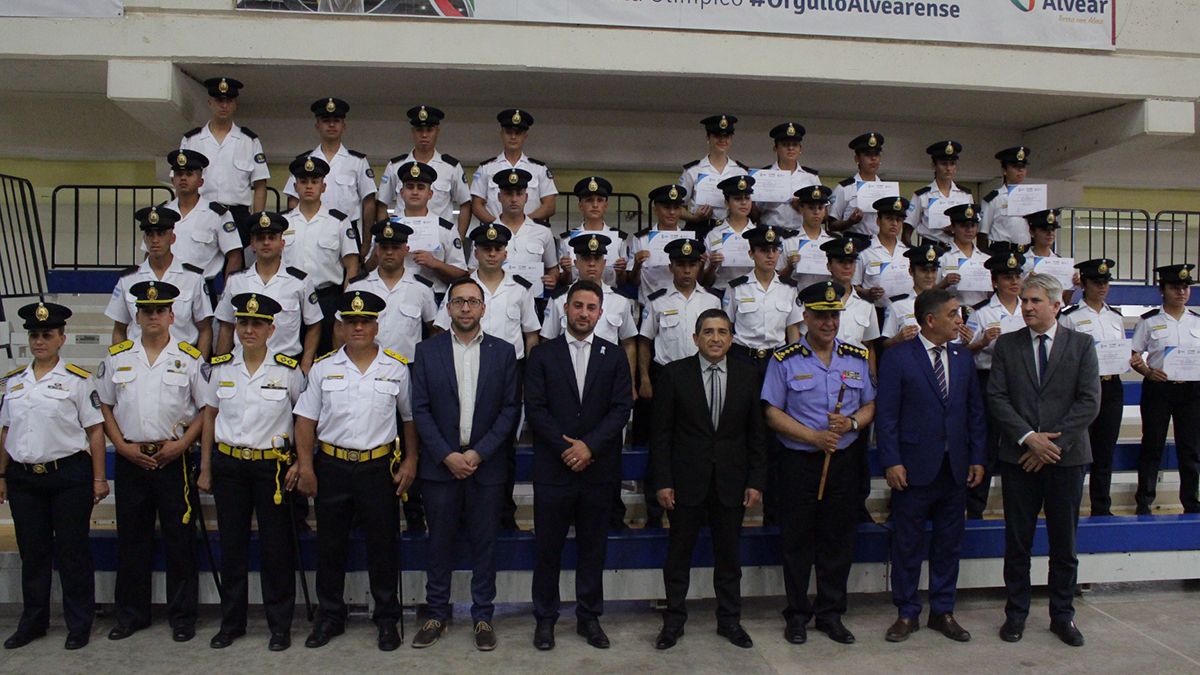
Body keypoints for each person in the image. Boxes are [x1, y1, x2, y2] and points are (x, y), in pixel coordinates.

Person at [290, 290, 417, 651]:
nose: (358, 327)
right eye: (351, 321)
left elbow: (409, 420)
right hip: (331, 466)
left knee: (383, 546)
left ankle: (387, 618)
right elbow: (305, 422)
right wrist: (306, 465)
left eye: (365, 321)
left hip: (378, 468)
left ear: (376, 325)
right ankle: (330, 617)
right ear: (341, 326)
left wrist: (410, 460)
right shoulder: (324, 368)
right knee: (330, 546)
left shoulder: (396, 367)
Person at [988, 273, 1100, 647]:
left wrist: (1052, 446)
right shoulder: (1007, 345)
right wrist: (1029, 439)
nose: (1028, 307)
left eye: (1035, 301)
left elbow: (1089, 401)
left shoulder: (1081, 344)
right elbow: (998, 398)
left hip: (1065, 460)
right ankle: (1015, 614)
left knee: (1063, 544)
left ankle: (1062, 615)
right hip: (1019, 457)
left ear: (1056, 304)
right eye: (1024, 301)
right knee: (1017, 542)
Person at [410, 277, 521, 652]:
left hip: (484, 465)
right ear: (449, 307)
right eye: (459, 302)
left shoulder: (504, 353)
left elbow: (510, 410)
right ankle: (437, 613)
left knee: (484, 544)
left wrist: (478, 453)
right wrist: (447, 455)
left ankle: (483, 616)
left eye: (473, 301)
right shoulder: (426, 351)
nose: (467, 308)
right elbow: (420, 410)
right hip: (441, 465)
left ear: (483, 308)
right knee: (438, 543)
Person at [762, 281, 875, 646]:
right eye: (821, 316)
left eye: (834, 316)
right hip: (798, 462)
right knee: (796, 541)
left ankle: (831, 614)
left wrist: (853, 423)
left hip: (843, 462)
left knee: (838, 540)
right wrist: (813, 437)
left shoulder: (857, 356)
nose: (828, 323)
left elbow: (870, 404)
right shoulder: (784, 359)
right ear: (806, 316)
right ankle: (797, 615)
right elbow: (772, 413)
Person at [525, 279, 635, 651]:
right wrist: (566, 449)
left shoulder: (615, 355)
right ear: (564, 309)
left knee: (592, 548)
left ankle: (589, 618)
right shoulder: (542, 355)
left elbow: (621, 408)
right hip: (553, 470)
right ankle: (545, 620)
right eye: (577, 306)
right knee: (548, 549)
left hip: (598, 469)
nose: (584, 313)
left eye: (591, 308)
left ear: (600, 314)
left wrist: (589, 447)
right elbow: (536, 409)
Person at [96, 280, 206, 643]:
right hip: (131, 460)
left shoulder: (190, 358)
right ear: (137, 316)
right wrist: (121, 447)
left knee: (180, 541)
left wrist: (183, 446)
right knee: (132, 541)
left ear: (172, 315)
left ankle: (182, 617)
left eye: (160, 310)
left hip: (174, 459)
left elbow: (206, 410)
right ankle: (131, 615)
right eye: (146, 311)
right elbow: (105, 408)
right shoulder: (118, 356)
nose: (153, 316)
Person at [651, 308, 766, 650]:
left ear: (732, 338)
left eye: (722, 332)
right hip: (686, 482)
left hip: (731, 482)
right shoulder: (674, 375)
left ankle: (730, 621)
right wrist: (662, 481)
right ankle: (673, 622)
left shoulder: (748, 375)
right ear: (695, 338)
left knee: (729, 558)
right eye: (708, 332)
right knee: (678, 557)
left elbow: (757, 435)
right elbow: (661, 436)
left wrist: (756, 480)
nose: (716, 338)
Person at [876, 288, 985, 643]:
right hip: (913, 467)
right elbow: (887, 415)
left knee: (949, 544)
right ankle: (907, 612)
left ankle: (943, 610)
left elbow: (974, 413)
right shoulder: (899, 357)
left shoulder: (963, 357)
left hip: (955, 467)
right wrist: (891, 460)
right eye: (954, 314)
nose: (960, 320)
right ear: (931, 320)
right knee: (907, 544)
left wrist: (977, 457)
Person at [197, 293, 304, 651]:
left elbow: (303, 421)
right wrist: (207, 466)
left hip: (271, 469)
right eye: (243, 323)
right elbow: (210, 416)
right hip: (229, 465)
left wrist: (299, 462)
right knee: (233, 547)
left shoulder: (289, 370)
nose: (248, 329)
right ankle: (232, 623)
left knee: (277, 550)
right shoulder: (221, 367)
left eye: (257, 323)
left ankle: (279, 626)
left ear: (272, 329)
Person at [0, 302, 107, 651]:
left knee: (73, 552)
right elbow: (5, 431)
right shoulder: (14, 382)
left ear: (62, 338)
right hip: (24, 478)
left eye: (47, 335)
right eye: (34, 335)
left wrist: (98, 479)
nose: (40, 341)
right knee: (33, 553)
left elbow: (94, 432)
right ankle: (34, 621)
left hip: (68, 475)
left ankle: (79, 623)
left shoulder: (77, 379)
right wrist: (1, 474)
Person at [433, 223, 540, 531]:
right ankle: (462, 515)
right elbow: (441, 329)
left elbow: (531, 335)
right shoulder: (461, 290)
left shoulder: (520, 289)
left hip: (507, 374)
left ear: (506, 252)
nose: (492, 253)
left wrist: (528, 375)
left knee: (502, 446)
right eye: (485, 249)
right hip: (463, 368)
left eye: (498, 248)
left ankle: (503, 514)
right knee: (463, 439)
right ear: (475, 252)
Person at [636, 237, 721, 526]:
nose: (687, 270)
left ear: (700, 265)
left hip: (704, 378)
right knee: (661, 442)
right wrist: (645, 378)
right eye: (681, 264)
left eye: (692, 264)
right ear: (671, 266)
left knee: (700, 445)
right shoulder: (657, 300)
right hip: (666, 378)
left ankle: (702, 508)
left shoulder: (712, 301)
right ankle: (654, 511)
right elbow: (645, 341)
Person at [1130, 263, 1200, 514]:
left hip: (1191, 390)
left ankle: (1191, 501)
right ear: (1162, 290)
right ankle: (1144, 501)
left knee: (1190, 447)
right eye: (1174, 287)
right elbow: (1134, 354)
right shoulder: (1149, 321)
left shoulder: (1197, 321)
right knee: (1152, 444)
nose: (1181, 292)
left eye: (1185, 287)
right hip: (1159, 388)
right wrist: (1147, 371)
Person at [216, 211, 323, 372]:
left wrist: (306, 363)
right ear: (252, 244)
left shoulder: (299, 281)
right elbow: (226, 326)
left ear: (282, 243)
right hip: (241, 365)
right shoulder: (236, 281)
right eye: (260, 238)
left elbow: (314, 324)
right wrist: (220, 365)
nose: (266, 242)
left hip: (286, 367)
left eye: (272, 237)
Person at [1058, 258, 1124, 516]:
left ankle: (1101, 506)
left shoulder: (1115, 317)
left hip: (1110, 387)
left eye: (1106, 282)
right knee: (1075, 451)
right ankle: (1069, 505)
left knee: (1105, 450)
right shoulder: (1070, 317)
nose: (1102, 287)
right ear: (1084, 283)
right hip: (1081, 390)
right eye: (1097, 282)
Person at [964, 250, 1027, 519]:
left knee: (1021, 442)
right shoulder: (980, 313)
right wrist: (982, 342)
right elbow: (963, 351)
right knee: (986, 445)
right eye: (1006, 277)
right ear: (994, 282)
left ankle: (1022, 505)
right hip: (989, 379)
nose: (1013, 281)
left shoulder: (1029, 308)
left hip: (1023, 381)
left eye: (1016, 276)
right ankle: (976, 506)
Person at [107, 206, 213, 355]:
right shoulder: (128, 279)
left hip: (182, 362)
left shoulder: (193, 278)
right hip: (138, 361)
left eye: (161, 234)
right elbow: (119, 329)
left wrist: (199, 365)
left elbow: (205, 329)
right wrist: (120, 362)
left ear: (172, 238)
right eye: (150, 234)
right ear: (144, 239)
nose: (155, 240)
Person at [283, 155, 360, 354]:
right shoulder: (283, 222)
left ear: (323, 186)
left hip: (327, 298)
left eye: (315, 182)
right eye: (303, 181)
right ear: (295, 186)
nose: (309, 186)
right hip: (290, 298)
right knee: (288, 355)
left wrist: (346, 302)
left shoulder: (339, 222)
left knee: (329, 356)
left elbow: (351, 265)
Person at [542, 234, 638, 388]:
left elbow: (628, 343)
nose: (592, 264)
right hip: (565, 377)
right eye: (586, 259)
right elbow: (548, 342)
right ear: (576, 263)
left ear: (605, 263)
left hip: (607, 377)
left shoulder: (620, 300)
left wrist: (630, 383)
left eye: (597, 259)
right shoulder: (560, 299)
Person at [179, 77, 268, 236]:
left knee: (238, 260)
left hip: (238, 216)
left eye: (229, 100)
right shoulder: (191, 140)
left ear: (235, 105)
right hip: (202, 213)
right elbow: (179, 182)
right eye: (219, 100)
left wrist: (257, 222)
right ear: (210, 102)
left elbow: (260, 184)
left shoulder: (249, 141)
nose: (224, 105)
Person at [283, 97, 377, 247]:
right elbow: (293, 200)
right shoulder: (304, 161)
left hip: (348, 232)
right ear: (317, 125)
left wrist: (366, 241)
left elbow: (369, 203)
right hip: (309, 228)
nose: (331, 124)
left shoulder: (357, 161)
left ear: (344, 125)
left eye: (336, 120)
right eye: (326, 120)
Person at [377, 105, 472, 240]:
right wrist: (387, 237)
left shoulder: (451, 167)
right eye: (419, 130)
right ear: (412, 132)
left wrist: (458, 239)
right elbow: (381, 205)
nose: (424, 135)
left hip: (440, 241)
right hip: (401, 239)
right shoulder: (395, 166)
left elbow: (465, 204)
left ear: (437, 131)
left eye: (429, 130)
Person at [160, 149, 244, 300]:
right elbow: (149, 253)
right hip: (165, 288)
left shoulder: (217, 214)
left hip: (203, 289)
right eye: (179, 174)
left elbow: (234, 255)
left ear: (200, 181)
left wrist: (227, 292)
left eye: (189, 174)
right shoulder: (162, 213)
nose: (183, 178)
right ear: (173, 180)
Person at [348, 221, 437, 363]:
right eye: (384, 247)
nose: (389, 252)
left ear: (406, 250)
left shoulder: (422, 288)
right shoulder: (358, 287)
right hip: (365, 365)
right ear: (377, 250)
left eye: (395, 247)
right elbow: (341, 328)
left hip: (409, 365)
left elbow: (434, 330)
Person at [722, 224, 800, 377]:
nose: (770, 255)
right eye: (764, 251)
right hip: (742, 358)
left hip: (777, 357)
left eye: (774, 250)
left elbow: (792, 330)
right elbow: (727, 326)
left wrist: (795, 361)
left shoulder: (789, 288)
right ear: (751, 253)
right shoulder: (736, 288)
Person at [386, 161, 469, 298]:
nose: (415, 192)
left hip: (434, 294)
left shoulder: (445, 229)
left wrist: (435, 264)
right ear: (401, 193)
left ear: (430, 194)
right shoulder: (388, 227)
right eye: (410, 187)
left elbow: (460, 273)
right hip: (394, 295)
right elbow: (369, 267)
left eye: (420, 187)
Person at [472, 168, 558, 296]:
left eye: (519, 194)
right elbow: (472, 269)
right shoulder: (484, 232)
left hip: (533, 300)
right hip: (493, 300)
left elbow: (553, 268)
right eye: (508, 193)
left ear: (526, 197)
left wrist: (553, 279)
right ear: (499, 197)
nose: (514, 199)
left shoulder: (543, 231)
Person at [470, 108, 558, 225]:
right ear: (501, 134)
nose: (513, 137)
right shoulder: (486, 168)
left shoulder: (539, 169)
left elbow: (550, 205)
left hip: (530, 233)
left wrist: (524, 224)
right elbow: (476, 205)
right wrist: (498, 225)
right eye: (509, 132)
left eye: (518, 133)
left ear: (525, 136)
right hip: (494, 237)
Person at [679, 114, 749, 234]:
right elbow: (678, 207)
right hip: (699, 228)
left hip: (731, 229)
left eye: (727, 136)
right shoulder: (693, 170)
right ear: (708, 137)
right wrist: (695, 217)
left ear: (731, 139)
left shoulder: (740, 172)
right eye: (717, 136)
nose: (722, 140)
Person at [557, 176, 628, 288]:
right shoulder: (567, 239)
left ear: (606, 206)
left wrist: (621, 272)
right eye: (589, 200)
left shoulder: (619, 239)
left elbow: (623, 282)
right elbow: (564, 281)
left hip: (610, 298)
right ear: (581, 206)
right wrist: (566, 271)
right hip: (577, 296)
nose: (595, 205)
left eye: (600, 200)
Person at [627, 184, 690, 302]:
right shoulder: (642, 239)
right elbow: (634, 281)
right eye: (666, 207)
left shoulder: (688, 240)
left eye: (676, 207)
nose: (672, 212)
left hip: (680, 302)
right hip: (649, 303)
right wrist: (637, 265)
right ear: (655, 209)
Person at [758, 122, 822, 232]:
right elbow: (754, 211)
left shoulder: (811, 177)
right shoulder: (764, 174)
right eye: (785, 144)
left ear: (800, 149)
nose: (790, 148)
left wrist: (802, 207)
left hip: (800, 233)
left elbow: (822, 212)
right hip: (771, 233)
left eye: (794, 144)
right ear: (775, 148)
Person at [906, 141, 972, 247]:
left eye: (952, 164)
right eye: (944, 164)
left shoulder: (965, 195)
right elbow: (907, 229)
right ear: (934, 165)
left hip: (957, 248)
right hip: (931, 248)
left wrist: (956, 229)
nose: (948, 168)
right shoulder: (923, 196)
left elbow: (972, 225)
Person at [702, 175, 762, 291]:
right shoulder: (714, 235)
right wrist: (712, 266)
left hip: (752, 293)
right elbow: (704, 281)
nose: (744, 202)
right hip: (721, 291)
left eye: (747, 198)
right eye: (737, 199)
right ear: (727, 203)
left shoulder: (758, 233)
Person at [880, 243, 945, 346]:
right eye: (924, 270)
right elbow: (885, 343)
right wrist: (897, 339)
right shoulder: (898, 305)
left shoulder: (945, 303)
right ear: (911, 271)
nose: (929, 276)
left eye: (933, 271)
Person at [854, 196, 911, 313]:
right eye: (889, 218)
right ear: (878, 221)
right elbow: (853, 285)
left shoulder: (907, 252)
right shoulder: (864, 252)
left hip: (904, 312)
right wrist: (866, 292)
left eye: (899, 220)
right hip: (874, 311)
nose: (894, 223)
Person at [829, 132, 885, 236]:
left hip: (879, 244)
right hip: (854, 242)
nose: (873, 159)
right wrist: (850, 222)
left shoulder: (886, 189)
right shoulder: (844, 188)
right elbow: (831, 224)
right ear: (857, 159)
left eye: (876, 154)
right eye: (868, 154)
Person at [782, 184, 835, 289]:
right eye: (811, 208)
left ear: (825, 211)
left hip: (825, 297)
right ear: (801, 209)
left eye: (820, 208)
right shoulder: (788, 240)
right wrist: (789, 267)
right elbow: (777, 279)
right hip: (796, 298)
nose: (816, 212)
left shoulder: (833, 241)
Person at [937, 203, 990, 309]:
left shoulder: (986, 259)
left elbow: (990, 296)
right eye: (963, 225)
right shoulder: (942, 257)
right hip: (952, 312)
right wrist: (944, 284)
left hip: (981, 312)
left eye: (973, 225)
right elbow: (928, 293)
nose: (969, 230)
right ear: (952, 227)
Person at [980, 146, 1033, 249]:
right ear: (1004, 170)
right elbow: (982, 233)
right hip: (1002, 251)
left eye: (1023, 167)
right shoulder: (994, 198)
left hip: (1026, 251)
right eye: (1015, 166)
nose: (1020, 170)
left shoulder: (1032, 198)